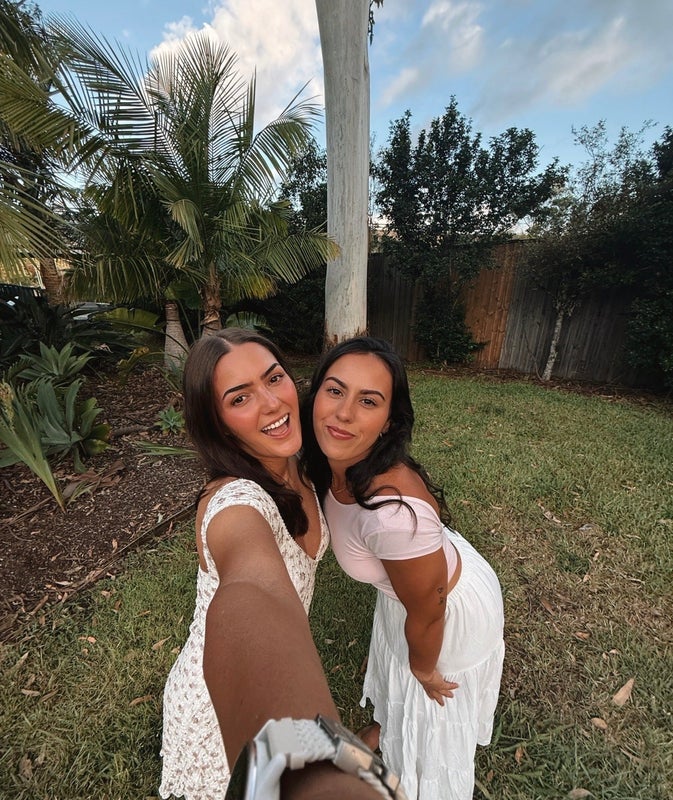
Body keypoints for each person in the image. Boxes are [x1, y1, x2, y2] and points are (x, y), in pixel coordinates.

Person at [159, 328, 388, 800]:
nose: (271, 403)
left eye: (274, 378)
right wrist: (319, 776)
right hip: (216, 710)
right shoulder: (236, 504)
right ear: (218, 423)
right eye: (240, 398)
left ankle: (351, 745)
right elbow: (251, 589)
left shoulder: (298, 463)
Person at [300, 336, 505, 800]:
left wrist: (425, 670)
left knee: (427, 708)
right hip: (417, 579)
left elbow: (430, 611)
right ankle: (389, 728)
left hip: (445, 607)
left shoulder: (392, 515)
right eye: (335, 391)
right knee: (401, 670)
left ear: (388, 422)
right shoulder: (336, 461)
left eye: (368, 401)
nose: (343, 413)